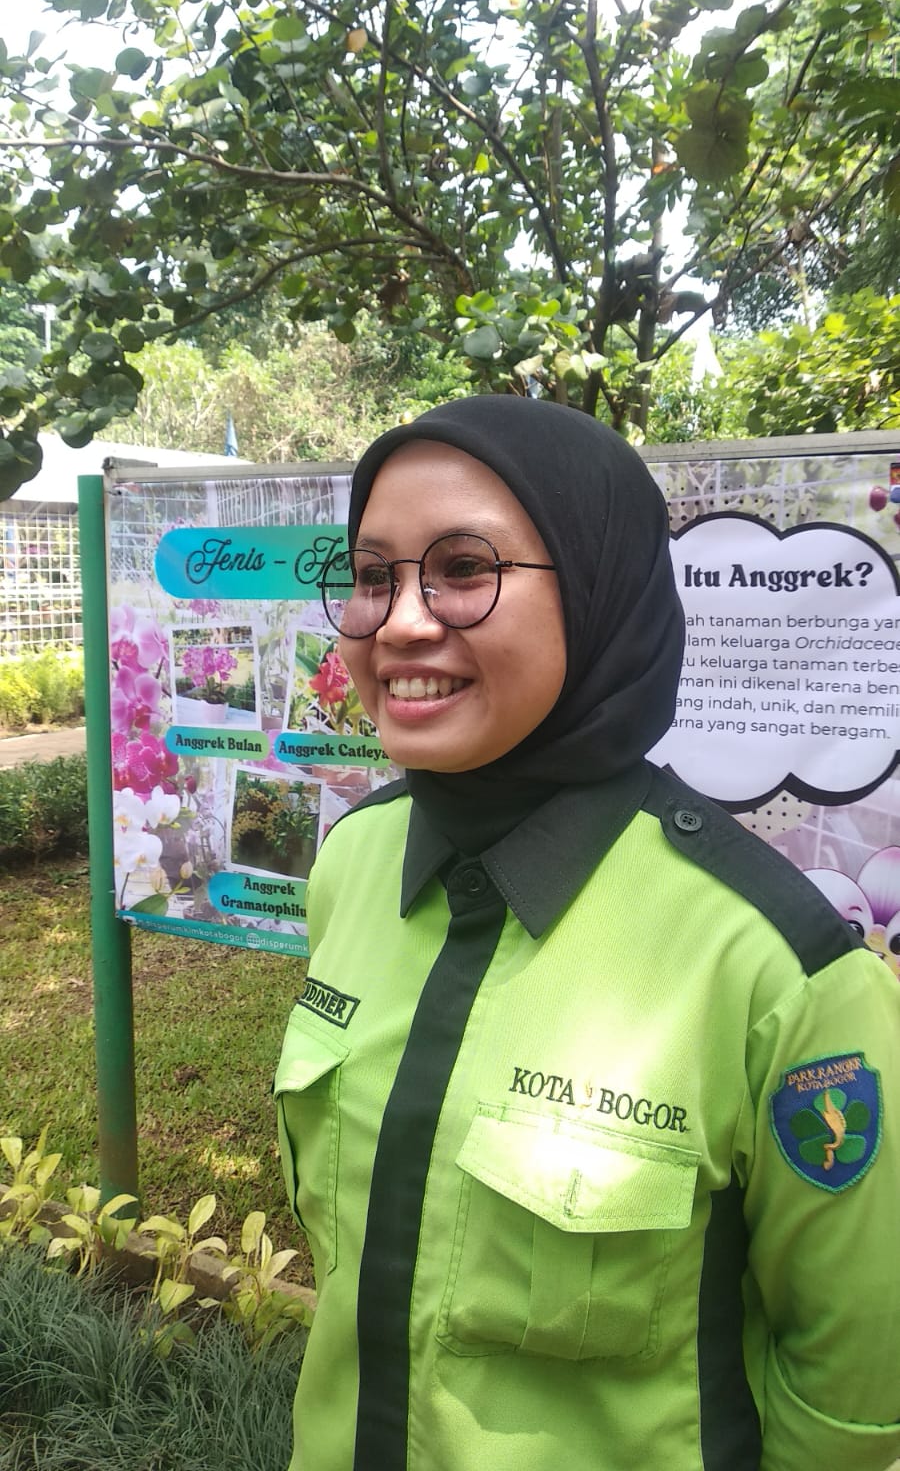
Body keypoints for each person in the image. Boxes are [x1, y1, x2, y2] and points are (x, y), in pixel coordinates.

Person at [275, 394, 900, 1471]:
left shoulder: (780, 968)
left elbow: (850, 1404)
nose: (404, 620)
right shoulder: (352, 866)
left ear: (600, 586)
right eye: (374, 575)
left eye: (463, 568)